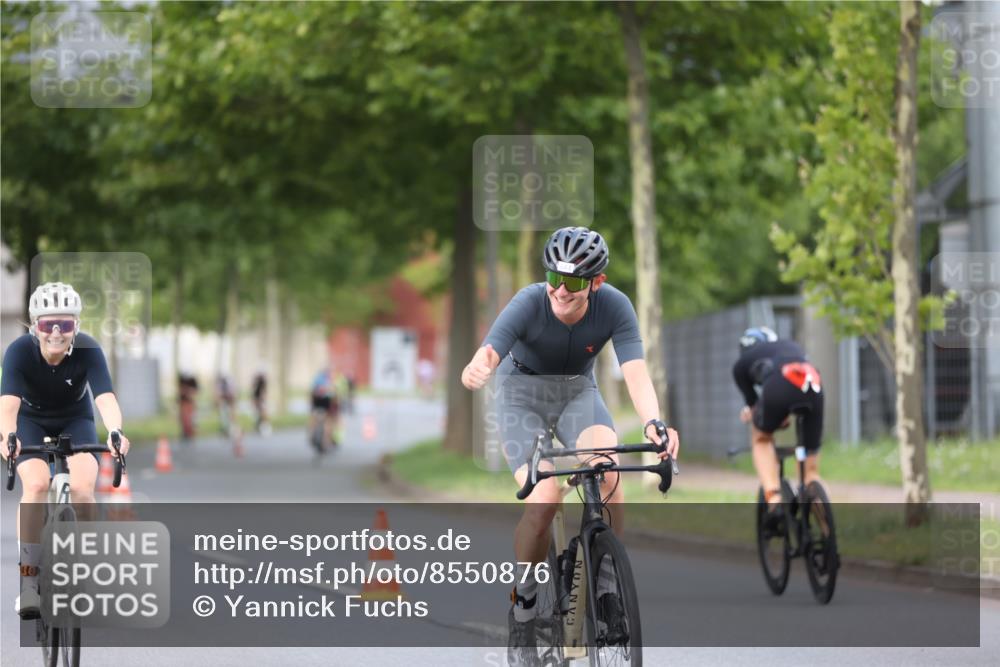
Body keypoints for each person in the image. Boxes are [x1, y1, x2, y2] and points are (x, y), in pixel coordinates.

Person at [461, 226, 679, 667]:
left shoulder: (615, 304)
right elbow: (490, 351)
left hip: (578, 393)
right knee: (544, 500)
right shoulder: (529, 301)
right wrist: (477, 368)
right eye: (553, 277)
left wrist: (655, 423)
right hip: (521, 394)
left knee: (609, 471)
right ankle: (524, 604)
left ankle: (606, 586)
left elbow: (635, 371)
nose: (560, 290)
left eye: (574, 282)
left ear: (595, 283)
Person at [0, 282, 131, 617]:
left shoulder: (89, 349)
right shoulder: (17, 351)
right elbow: (8, 405)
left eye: (65, 324)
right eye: (47, 324)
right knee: (37, 484)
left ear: (77, 325)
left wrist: (116, 431)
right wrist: (8, 436)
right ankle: (29, 582)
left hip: (75, 419)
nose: (56, 332)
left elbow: (105, 399)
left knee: (84, 488)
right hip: (30, 422)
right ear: (34, 326)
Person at [732, 326, 825, 532]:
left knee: (761, 438)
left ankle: (774, 501)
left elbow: (755, 406)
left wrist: (755, 414)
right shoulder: (789, 346)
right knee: (810, 475)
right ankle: (828, 538)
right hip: (813, 382)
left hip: (779, 384)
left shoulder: (740, 366)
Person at [308, 365, 339, 454]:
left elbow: (312, 392)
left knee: (314, 416)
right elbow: (334, 395)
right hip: (326, 401)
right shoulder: (331, 380)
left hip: (317, 400)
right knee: (328, 422)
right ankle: (325, 442)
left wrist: (311, 404)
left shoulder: (317, 378)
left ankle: (311, 434)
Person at [252, 366, 270, 435]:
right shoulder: (256, 380)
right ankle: (258, 426)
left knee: (263, 412)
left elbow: (264, 391)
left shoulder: (263, 381)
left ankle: (264, 426)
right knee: (257, 412)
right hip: (257, 397)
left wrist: (263, 399)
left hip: (261, 398)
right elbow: (254, 390)